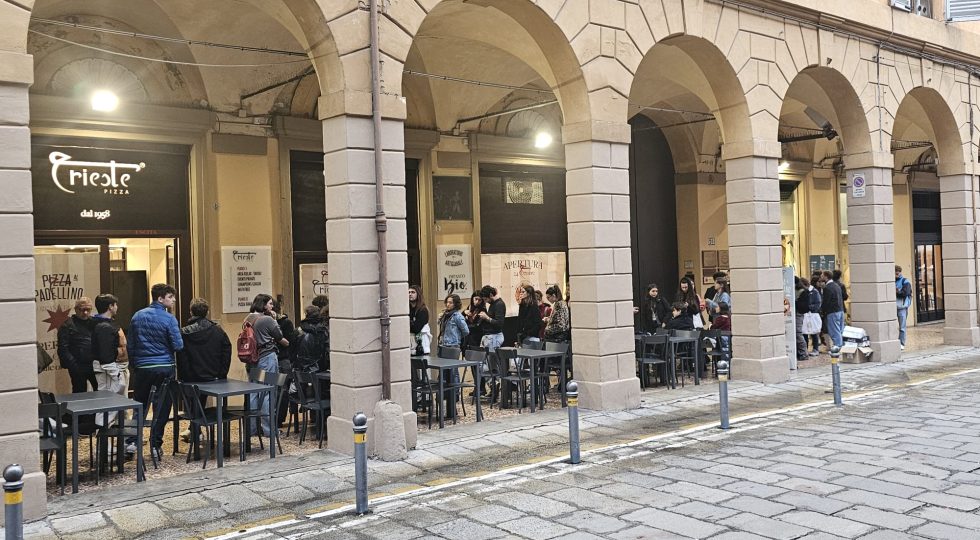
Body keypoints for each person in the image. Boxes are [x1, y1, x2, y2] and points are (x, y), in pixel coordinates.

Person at [127, 283, 184, 458]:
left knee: (139, 406)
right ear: (160, 298)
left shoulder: (137, 316)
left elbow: (131, 344)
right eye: (170, 297)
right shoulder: (169, 319)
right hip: (163, 367)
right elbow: (178, 345)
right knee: (162, 406)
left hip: (142, 368)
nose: (174, 300)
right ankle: (155, 444)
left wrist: (135, 364)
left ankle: (132, 443)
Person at [244, 293, 289, 437]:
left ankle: (252, 429)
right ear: (263, 305)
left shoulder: (248, 318)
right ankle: (270, 430)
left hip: (252, 360)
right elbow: (280, 337)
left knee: (254, 393)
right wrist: (275, 318)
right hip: (267, 358)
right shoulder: (267, 319)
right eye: (270, 304)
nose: (272, 306)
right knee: (268, 392)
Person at [176, 298, 231, 383]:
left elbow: (182, 358)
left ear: (191, 312)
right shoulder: (219, 331)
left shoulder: (184, 333)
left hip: (191, 379)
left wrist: (186, 376)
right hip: (214, 377)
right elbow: (226, 353)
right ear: (207, 312)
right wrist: (221, 375)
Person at [57, 297, 98, 393]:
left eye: (88, 310)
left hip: (94, 364)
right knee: (79, 392)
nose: (85, 313)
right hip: (77, 365)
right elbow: (63, 348)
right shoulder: (67, 325)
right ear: (76, 309)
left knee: (100, 391)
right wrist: (73, 365)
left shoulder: (94, 323)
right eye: (82, 310)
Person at [91, 294, 128, 396]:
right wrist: (116, 373)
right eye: (115, 304)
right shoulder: (104, 327)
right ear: (110, 306)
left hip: (111, 367)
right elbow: (105, 354)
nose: (117, 307)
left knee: (109, 398)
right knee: (110, 399)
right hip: (109, 369)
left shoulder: (106, 323)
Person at [294, 305, 330, 373]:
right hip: (320, 368)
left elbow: (293, 350)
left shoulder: (298, 330)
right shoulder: (323, 330)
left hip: (301, 368)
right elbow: (327, 350)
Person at [821, 270, 845, 352]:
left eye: (822, 275)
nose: (821, 277)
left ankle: (838, 348)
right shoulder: (837, 285)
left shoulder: (827, 288)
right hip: (840, 310)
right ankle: (841, 346)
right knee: (840, 330)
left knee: (834, 331)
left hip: (832, 311)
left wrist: (822, 311)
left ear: (826, 276)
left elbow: (826, 301)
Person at [272, 298, 298, 374]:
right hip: (273, 357)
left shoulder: (286, 322)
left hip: (283, 358)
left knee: (283, 384)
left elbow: (290, 342)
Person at [478, 285, 506, 351]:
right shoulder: (493, 304)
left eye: (486, 299)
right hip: (489, 336)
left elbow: (499, 323)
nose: (486, 301)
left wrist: (487, 317)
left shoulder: (499, 304)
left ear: (490, 295)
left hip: (494, 336)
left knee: (492, 360)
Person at [409, 285, 430, 355]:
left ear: (418, 294)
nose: (410, 294)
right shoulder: (408, 309)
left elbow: (416, 328)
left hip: (421, 346)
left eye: (413, 292)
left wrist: (408, 323)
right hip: (411, 345)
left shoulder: (422, 310)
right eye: (408, 292)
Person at [896, 265, 912, 351]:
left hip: (902, 307)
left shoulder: (905, 281)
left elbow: (905, 293)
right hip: (892, 307)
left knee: (902, 326)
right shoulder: (891, 281)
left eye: (897, 273)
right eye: (895, 273)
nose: (896, 275)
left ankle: (901, 343)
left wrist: (897, 291)